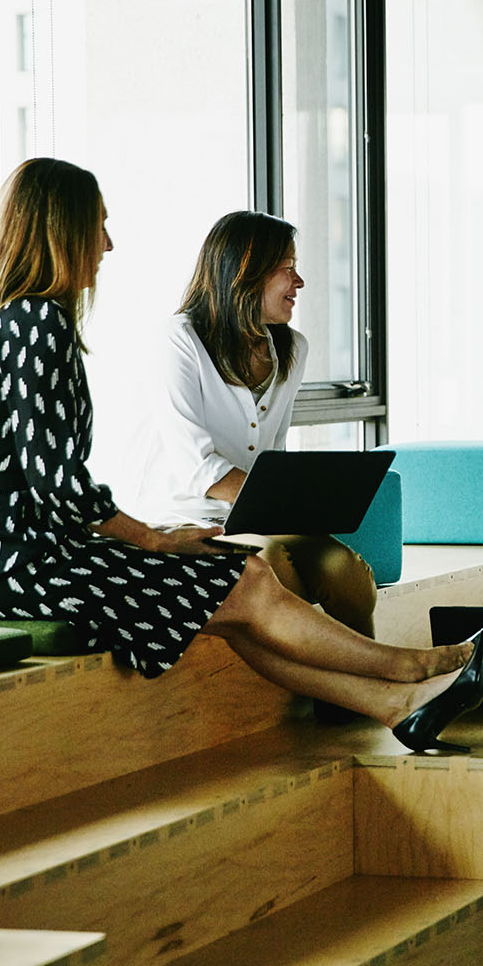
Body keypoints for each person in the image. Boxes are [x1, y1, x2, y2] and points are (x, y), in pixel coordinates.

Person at [0, 158, 483, 753]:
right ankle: (411, 669)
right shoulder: (38, 321)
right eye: (98, 226)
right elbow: (60, 485)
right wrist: (155, 539)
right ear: (59, 230)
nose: (108, 245)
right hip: (15, 564)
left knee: (233, 601)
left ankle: (397, 705)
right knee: (243, 578)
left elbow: (40, 479)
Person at [127, 211, 378, 710]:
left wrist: (300, 503)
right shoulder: (178, 340)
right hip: (184, 519)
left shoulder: (291, 349)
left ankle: (349, 702)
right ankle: (362, 689)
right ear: (244, 273)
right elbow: (197, 467)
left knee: (344, 569)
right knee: (275, 562)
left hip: (255, 515)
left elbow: (273, 454)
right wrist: (283, 506)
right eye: (288, 268)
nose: (299, 281)